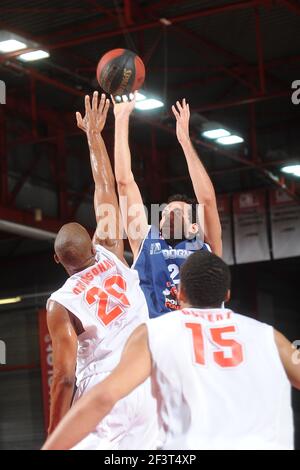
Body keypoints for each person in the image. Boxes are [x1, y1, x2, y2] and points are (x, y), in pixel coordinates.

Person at [43, 251, 297, 450]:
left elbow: (104, 397)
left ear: (180, 292)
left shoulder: (155, 332)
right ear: (227, 295)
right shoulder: (267, 336)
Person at [46, 92, 159, 450]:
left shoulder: (61, 302)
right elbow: (106, 188)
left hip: (105, 393)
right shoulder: (111, 252)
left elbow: (63, 377)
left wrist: (54, 435)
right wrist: (94, 135)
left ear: (57, 260)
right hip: (147, 380)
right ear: (92, 245)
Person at [113, 95, 222, 316]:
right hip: (158, 340)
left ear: (194, 228)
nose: (168, 214)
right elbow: (124, 183)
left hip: (198, 340)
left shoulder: (205, 248)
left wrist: (184, 141)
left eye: (178, 212)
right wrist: (121, 118)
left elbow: (208, 202)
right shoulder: (145, 241)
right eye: (165, 213)